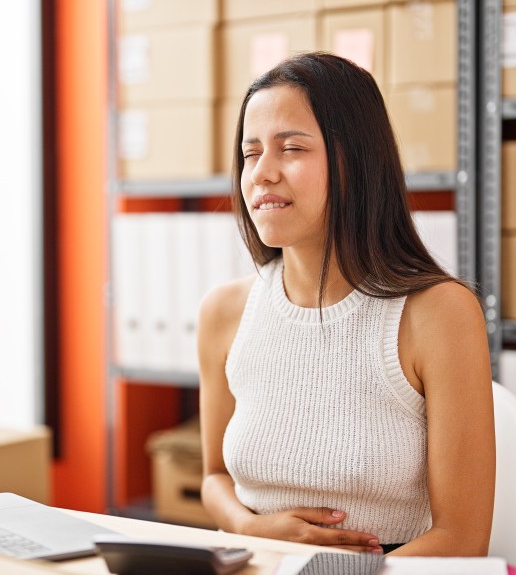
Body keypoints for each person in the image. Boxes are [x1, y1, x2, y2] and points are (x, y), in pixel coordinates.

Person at [197, 52, 495, 556]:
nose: (261, 174)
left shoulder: (440, 314)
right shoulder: (223, 312)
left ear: (355, 161)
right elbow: (213, 477)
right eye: (250, 154)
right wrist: (249, 528)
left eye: (290, 148)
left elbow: (462, 539)